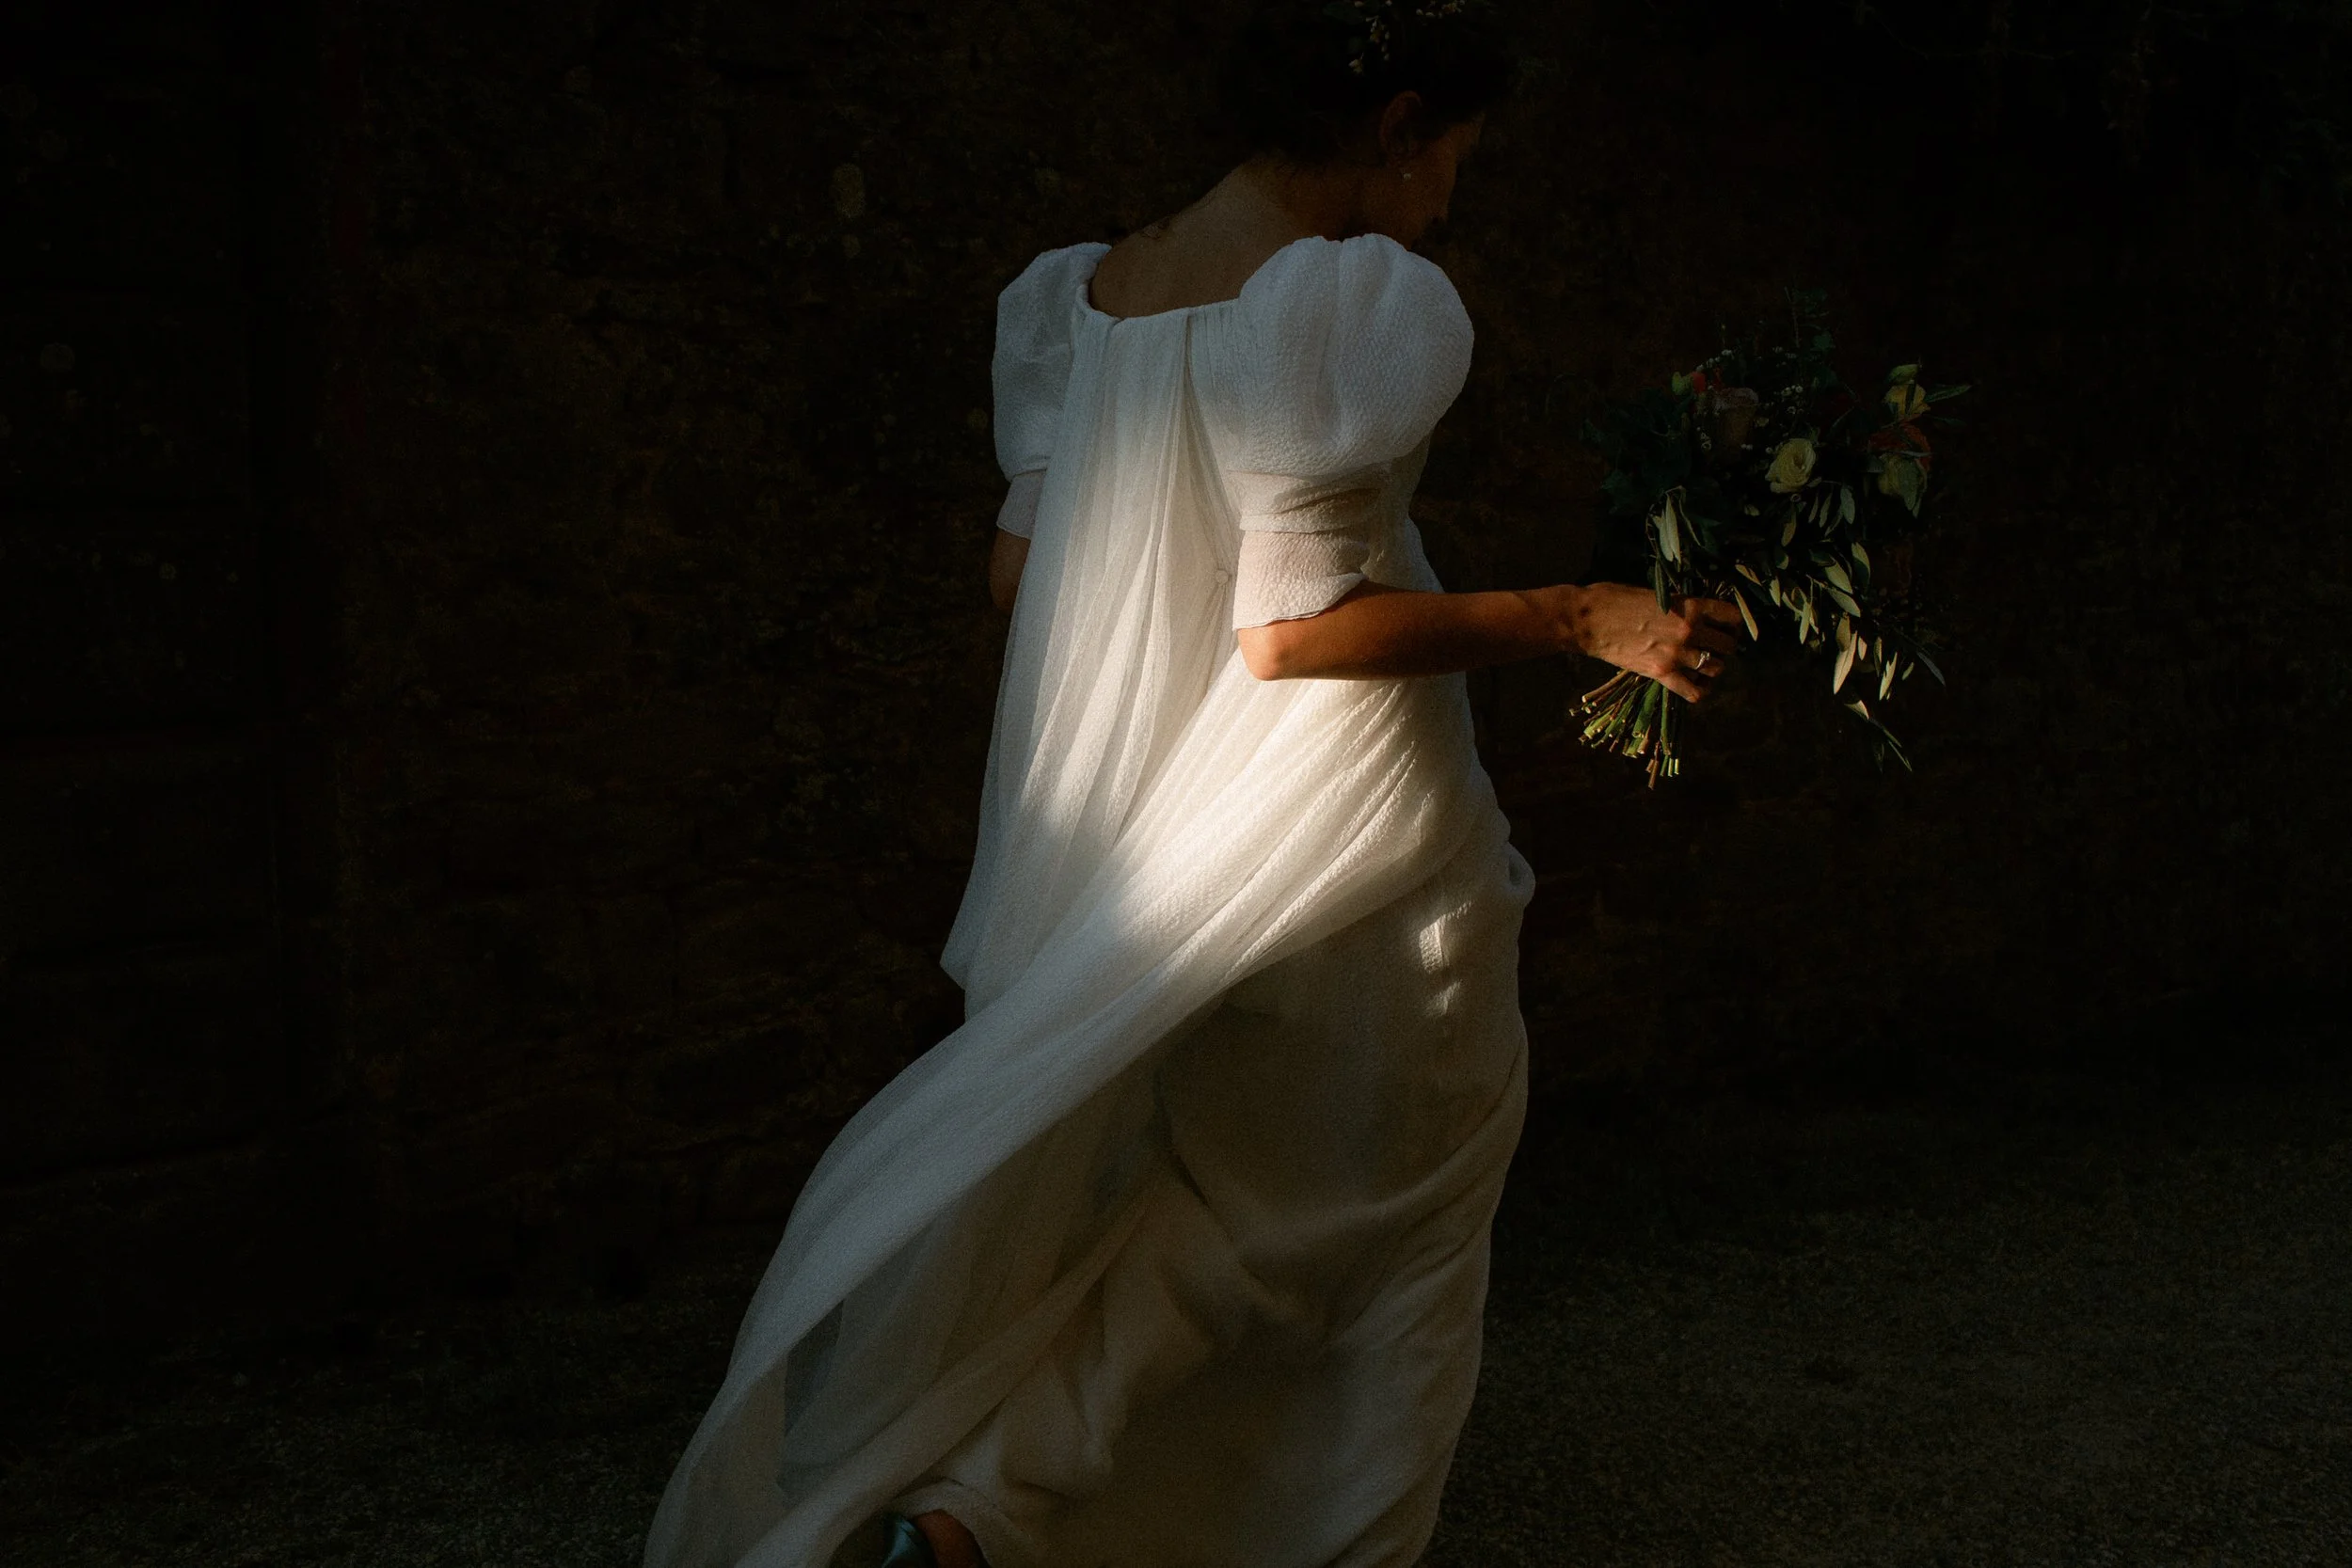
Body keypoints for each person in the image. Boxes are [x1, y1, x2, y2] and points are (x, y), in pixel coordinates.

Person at [644, 4, 1738, 1565]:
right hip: (1339, 823)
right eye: (1455, 163)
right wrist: (1584, 615)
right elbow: (1293, 633)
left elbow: (1022, 591)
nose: (1448, 203)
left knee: (1193, 1188)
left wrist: (1094, 792)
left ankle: (973, 1524)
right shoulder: (1351, 298)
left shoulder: (1079, 297)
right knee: (1396, 1175)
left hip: (1140, 822)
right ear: (1399, 121)